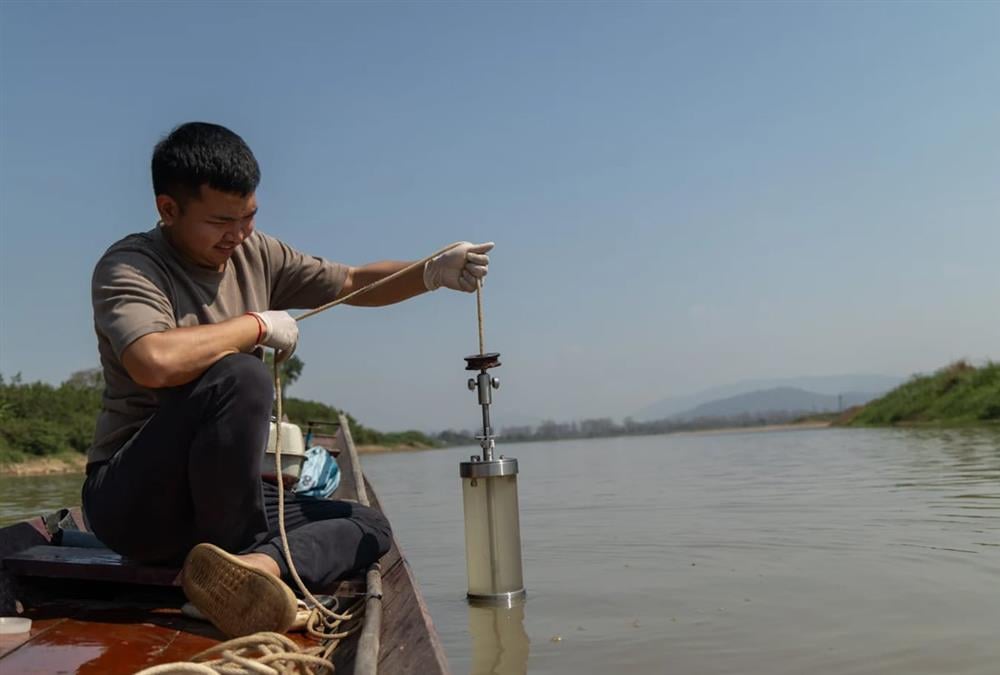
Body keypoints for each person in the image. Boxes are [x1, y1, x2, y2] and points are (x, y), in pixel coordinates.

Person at [81, 121, 493, 638]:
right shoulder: (131, 266)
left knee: (369, 525)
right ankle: (239, 554)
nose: (238, 234)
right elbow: (152, 360)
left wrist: (430, 272)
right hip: (138, 504)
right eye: (221, 221)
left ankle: (251, 572)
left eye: (249, 216)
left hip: (223, 503)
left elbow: (351, 281)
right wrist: (255, 326)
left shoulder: (256, 253)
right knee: (240, 374)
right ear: (168, 209)